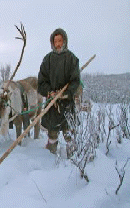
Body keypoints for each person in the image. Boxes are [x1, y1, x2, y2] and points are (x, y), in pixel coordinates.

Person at [37, 28, 80, 158]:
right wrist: (50, 92)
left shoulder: (72, 59)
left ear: (65, 41)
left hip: (67, 102)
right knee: (53, 132)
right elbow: (42, 82)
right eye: (55, 41)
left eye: (60, 40)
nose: (58, 44)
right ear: (52, 42)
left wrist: (65, 93)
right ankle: (51, 157)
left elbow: (75, 81)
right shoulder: (47, 59)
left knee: (68, 132)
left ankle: (73, 159)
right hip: (52, 104)